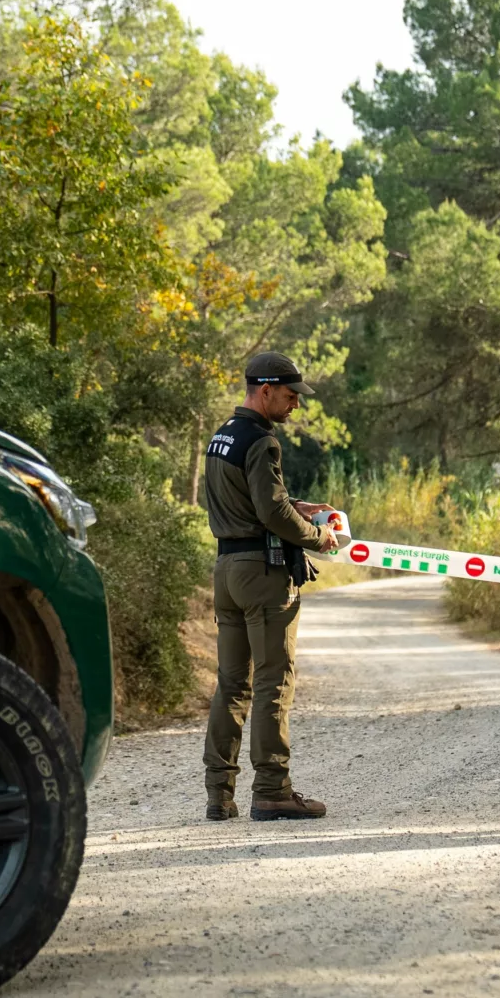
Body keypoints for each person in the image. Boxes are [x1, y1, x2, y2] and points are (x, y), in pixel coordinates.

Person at [199, 351, 342, 822]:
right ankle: (272, 790)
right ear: (265, 391)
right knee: (273, 683)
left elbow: (251, 500)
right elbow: (271, 513)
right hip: (262, 574)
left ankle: (219, 794)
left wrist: (292, 503)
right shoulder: (262, 441)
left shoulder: (222, 436)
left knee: (231, 684)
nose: (295, 404)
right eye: (289, 395)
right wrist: (319, 537)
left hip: (226, 570)